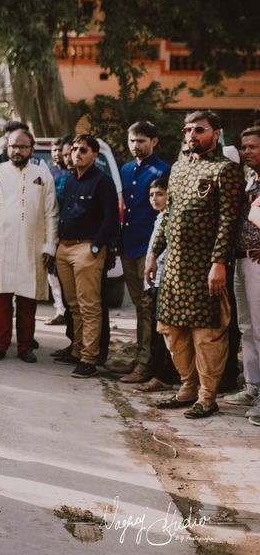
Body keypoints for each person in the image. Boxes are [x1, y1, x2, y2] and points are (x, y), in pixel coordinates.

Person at [146, 110, 244, 419]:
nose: (191, 136)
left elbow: (229, 221)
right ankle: (187, 387)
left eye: (199, 130)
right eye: (188, 130)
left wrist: (219, 263)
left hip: (206, 266)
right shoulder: (177, 169)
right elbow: (169, 214)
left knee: (207, 334)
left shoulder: (225, 170)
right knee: (173, 331)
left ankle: (207, 395)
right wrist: (154, 252)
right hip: (174, 265)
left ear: (216, 134)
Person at [0, 128, 58, 363]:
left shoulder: (43, 175)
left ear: (31, 149)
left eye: (22, 147)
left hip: (32, 247)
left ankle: (25, 347)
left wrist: (50, 245)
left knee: (27, 300)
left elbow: (51, 214)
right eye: (13, 146)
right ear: (6, 148)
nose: (17, 151)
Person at [54, 134, 120, 378]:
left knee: (89, 306)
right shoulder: (70, 180)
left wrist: (97, 246)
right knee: (73, 306)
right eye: (74, 149)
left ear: (94, 154)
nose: (77, 153)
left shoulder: (102, 182)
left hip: (87, 248)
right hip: (65, 248)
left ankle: (89, 358)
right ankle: (77, 349)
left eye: (83, 149)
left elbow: (111, 218)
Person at [117, 122, 171, 383]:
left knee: (149, 307)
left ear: (154, 141)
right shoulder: (126, 169)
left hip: (151, 248)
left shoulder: (163, 170)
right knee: (139, 307)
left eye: (141, 141)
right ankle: (140, 356)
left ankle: (147, 364)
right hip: (129, 244)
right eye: (132, 141)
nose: (136, 146)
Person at [224, 127, 260, 415]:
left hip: (257, 262)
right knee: (245, 328)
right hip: (239, 259)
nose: (247, 151)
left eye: (253, 147)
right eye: (244, 147)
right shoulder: (249, 179)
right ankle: (252, 386)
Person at [137, 178, 180, 392]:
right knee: (155, 330)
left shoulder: (172, 218)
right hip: (154, 281)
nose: (155, 198)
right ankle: (157, 372)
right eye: (152, 194)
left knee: (163, 331)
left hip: (165, 280)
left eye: (160, 194)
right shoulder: (159, 218)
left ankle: (164, 375)